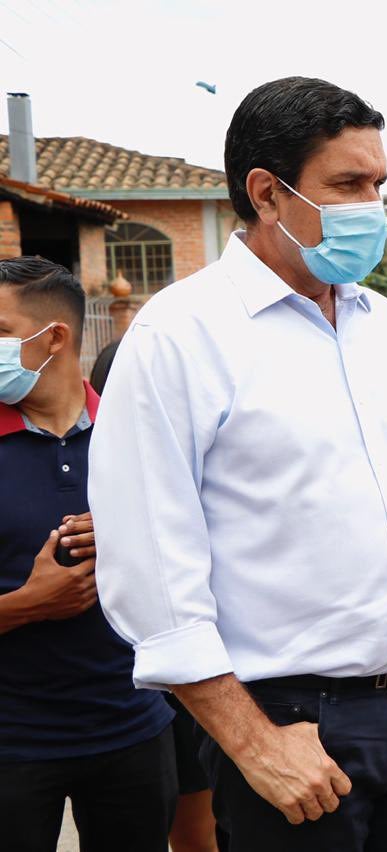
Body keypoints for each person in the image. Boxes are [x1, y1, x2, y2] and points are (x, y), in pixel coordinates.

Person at [87, 77, 387, 851]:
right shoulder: (180, 336)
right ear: (267, 193)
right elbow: (149, 567)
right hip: (292, 725)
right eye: (347, 184)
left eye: (378, 183)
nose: (371, 204)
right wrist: (252, 742)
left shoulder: (386, 327)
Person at [0, 256, 176, 852]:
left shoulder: (143, 432)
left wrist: (133, 535)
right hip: (11, 746)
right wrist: (26, 605)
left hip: (135, 732)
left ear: (54, 337)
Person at [89, 312, 224, 852]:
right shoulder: (92, 459)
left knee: (202, 818)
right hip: (124, 698)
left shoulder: (195, 465)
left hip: (193, 677)